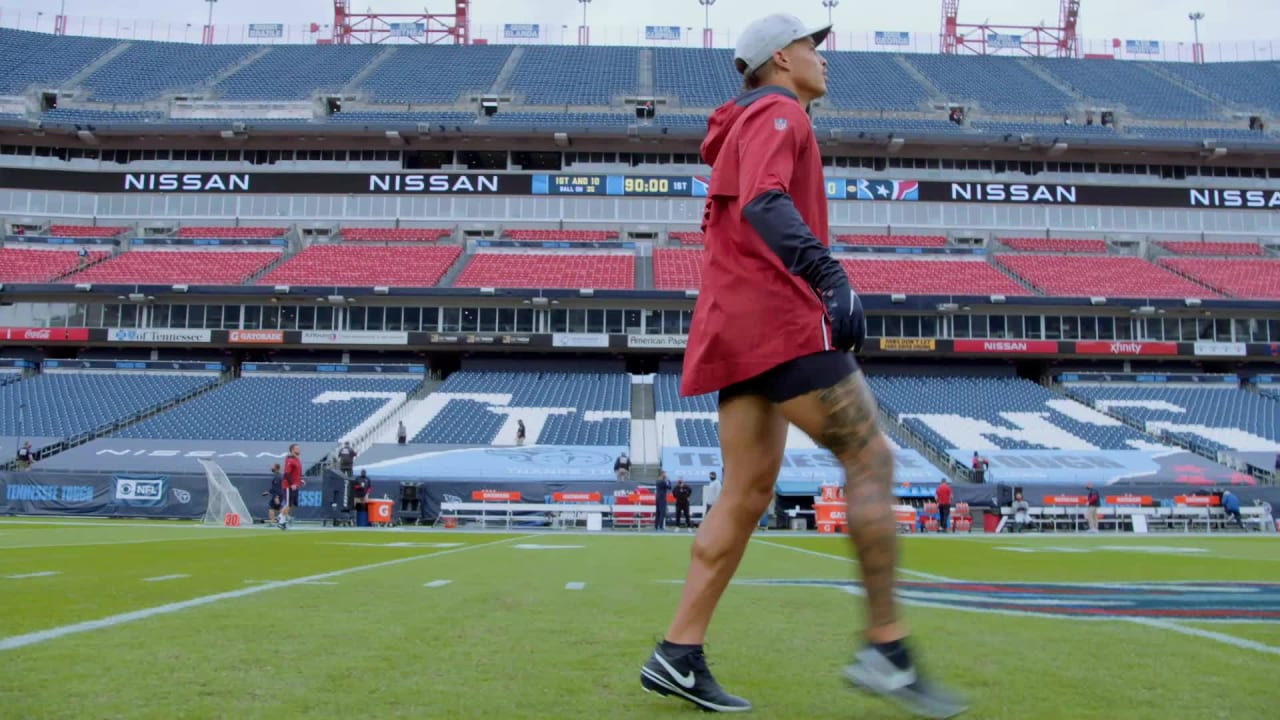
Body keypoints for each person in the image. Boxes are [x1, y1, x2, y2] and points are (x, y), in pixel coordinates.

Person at [639, 14, 965, 719]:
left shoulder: (745, 117)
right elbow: (763, 199)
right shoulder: (781, 112)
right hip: (780, 320)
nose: (826, 59)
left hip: (735, 326)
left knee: (746, 492)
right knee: (872, 460)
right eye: (816, 48)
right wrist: (827, 271)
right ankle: (887, 648)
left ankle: (678, 651)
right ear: (783, 58)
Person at [279, 443, 304, 530]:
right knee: (288, 504)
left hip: (295, 485)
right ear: (292, 450)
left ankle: (280, 517)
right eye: (297, 448)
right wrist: (291, 483)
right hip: (288, 485)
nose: (299, 449)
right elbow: (286, 474)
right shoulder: (290, 459)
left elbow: (296, 473)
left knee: (291, 504)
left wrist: (300, 480)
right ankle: (281, 521)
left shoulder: (297, 459)